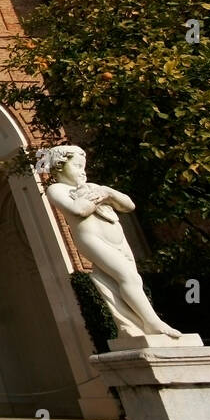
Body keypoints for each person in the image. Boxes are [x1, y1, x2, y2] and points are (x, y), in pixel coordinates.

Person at [38, 145, 180, 338]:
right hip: (92, 239)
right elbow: (79, 210)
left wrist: (108, 193)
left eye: (84, 167)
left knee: (133, 279)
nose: (83, 171)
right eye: (78, 166)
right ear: (59, 166)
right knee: (127, 277)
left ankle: (135, 327)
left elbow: (129, 205)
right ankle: (152, 322)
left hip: (118, 241)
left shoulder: (96, 188)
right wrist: (94, 195)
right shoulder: (57, 189)